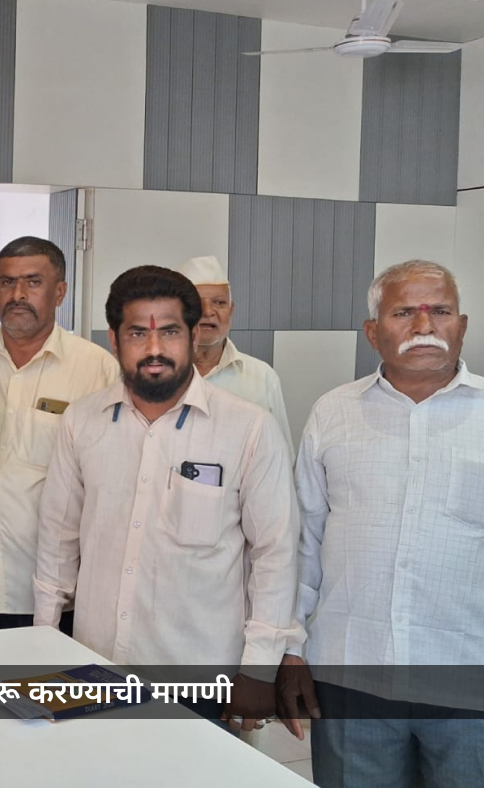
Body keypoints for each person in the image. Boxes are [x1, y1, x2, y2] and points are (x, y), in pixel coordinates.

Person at [33, 265, 302, 732]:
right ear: (114, 341)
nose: (154, 348)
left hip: (200, 678)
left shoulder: (248, 428)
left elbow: (275, 554)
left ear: (194, 336)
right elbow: (58, 537)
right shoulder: (82, 421)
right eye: (137, 333)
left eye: (170, 332)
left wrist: (259, 670)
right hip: (96, 665)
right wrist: (44, 639)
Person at [278, 260, 484, 788]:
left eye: (440, 311)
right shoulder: (333, 413)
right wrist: (291, 647)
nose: (424, 325)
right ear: (373, 332)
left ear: (462, 325)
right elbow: (303, 542)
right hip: (352, 673)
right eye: (403, 312)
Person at [0, 237, 116, 631]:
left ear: (60, 292)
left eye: (33, 282)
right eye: (7, 282)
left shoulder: (97, 371)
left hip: (56, 593)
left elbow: (110, 485)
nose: (18, 295)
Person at [176, 255, 294, 457]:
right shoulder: (151, 373)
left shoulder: (261, 377)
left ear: (231, 310)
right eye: (196, 303)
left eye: (219, 302)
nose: (208, 312)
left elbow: (281, 458)